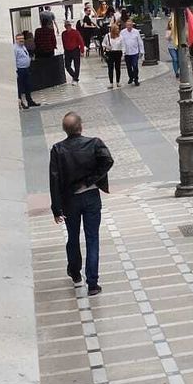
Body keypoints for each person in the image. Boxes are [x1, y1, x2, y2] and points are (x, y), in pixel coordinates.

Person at [49, 112, 114, 296]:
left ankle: (75, 272)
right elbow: (108, 160)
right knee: (92, 237)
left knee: (73, 235)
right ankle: (92, 283)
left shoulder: (58, 150)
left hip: (70, 199)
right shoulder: (94, 143)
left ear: (65, 129)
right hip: (91, 196)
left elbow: (54, 179)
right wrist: (91, 180)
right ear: (81, 127)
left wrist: (56, 207)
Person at [14, 33, 40, 109]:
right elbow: (14, 60)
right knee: (20, 87)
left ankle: (29, 101)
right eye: (19, 39)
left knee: (28, 86)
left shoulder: (23, 47)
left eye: (22, 38)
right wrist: (16, 71)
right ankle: (20, 102)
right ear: (16, 40)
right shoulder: (15, 48)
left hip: (26, 69)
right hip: (20, 70)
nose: (21, 40)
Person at [119, 19, 143, 86]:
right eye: (128, 25)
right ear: (126, 25)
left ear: (132, 25)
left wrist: (141, 51)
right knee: (129, 66)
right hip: (127, 52)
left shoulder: (136, 32)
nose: (129, 26)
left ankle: (136, 79)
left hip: (134, 52)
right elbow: (121, 42)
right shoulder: (122, 32)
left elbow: (139, 41)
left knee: (135, 66)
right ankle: (131, 77)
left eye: (130, 25)